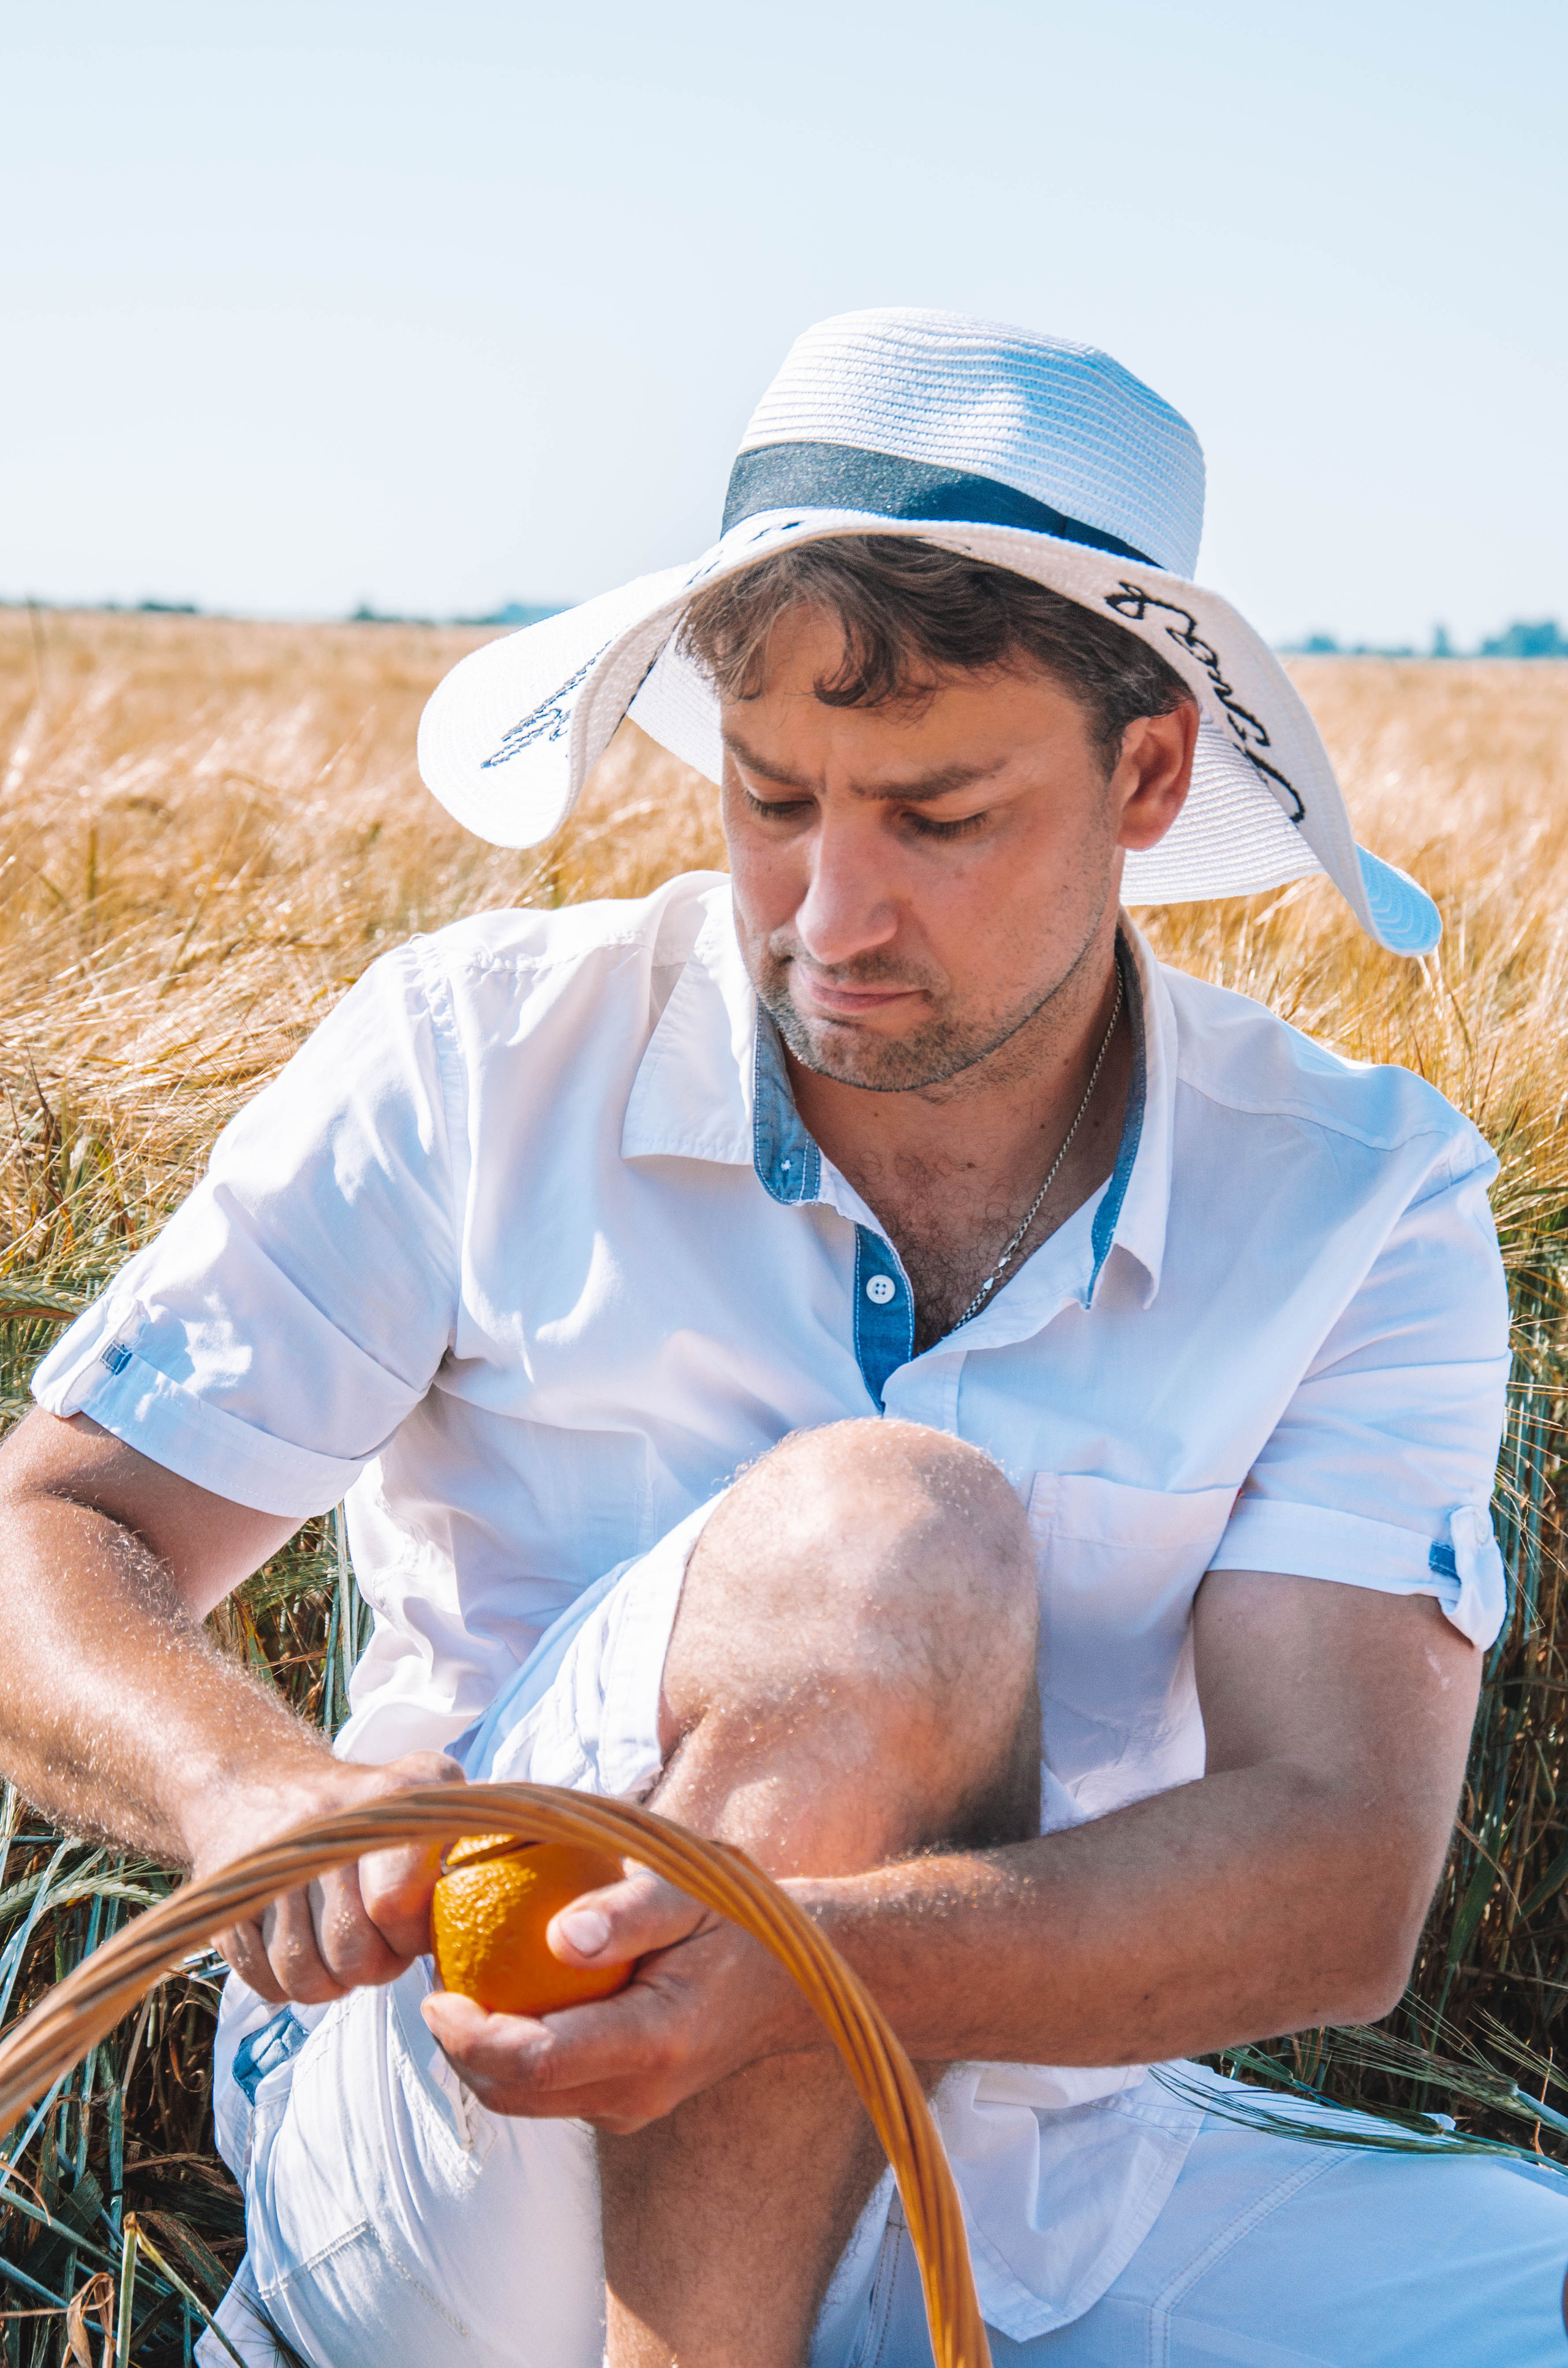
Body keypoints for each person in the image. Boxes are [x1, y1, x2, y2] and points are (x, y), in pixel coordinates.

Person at [0, 308, 1562, 2368]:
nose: (828, 916)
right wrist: (241, 1787)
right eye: (771, 799)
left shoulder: (1364, 1198)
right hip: (473, 2132)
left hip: (1028, 2171)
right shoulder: (480, 1054)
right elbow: (50, 1527)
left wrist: (801, 1964)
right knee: (888, 1545)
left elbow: (1338, 1864)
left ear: (1150, 774)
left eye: (939, 815)